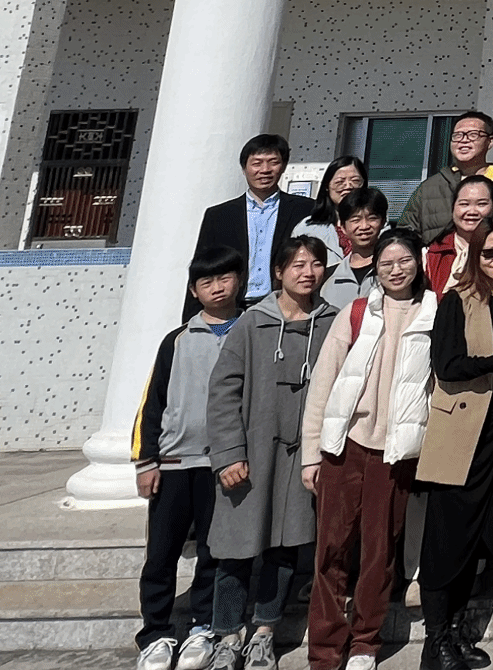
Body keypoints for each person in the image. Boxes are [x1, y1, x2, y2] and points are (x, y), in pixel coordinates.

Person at [301, 228, 438, 670]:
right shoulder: (357, 312)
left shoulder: (435, 313)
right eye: (386, 264)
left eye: (404, 261)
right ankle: (325, 648)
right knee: (332, 550)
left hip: (396, 453)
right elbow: (323, 383)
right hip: (346, 446)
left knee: (379, 552)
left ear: (418, 263)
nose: (396, 270)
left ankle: (364, 642)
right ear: (375, 269)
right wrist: (311, 454)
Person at [205, 236, 337, 670]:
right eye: (297, 264)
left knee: (284, 548)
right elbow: (224, 390)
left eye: (315, 264)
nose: (307, 272)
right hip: (251, 453)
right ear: (278, 272)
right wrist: (228, 453)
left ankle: (264, 632)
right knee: (236, 550)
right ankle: (227, 635)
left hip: (302, 457)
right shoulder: (252, 323)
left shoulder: (332, 323)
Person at [418, 216, 493, 670]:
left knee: (474, 542)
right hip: (460, 434)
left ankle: (455, 632)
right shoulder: (457, 300)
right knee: (445, 541)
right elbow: (447, 364)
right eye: (489, 252)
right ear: (475, 255)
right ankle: (434, 641)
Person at [134, 246, 243, 670]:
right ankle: (155, 634)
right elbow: (152, 403)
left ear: (239, 280)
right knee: (161, 553)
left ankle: (202, 627)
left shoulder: (250, 332)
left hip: (224, 465)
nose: (217, 288)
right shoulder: (176, 340)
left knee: (214, 553)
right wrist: (147, 461)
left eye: (224, 278)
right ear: (194, 291)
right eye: (206, 282)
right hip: (176, 463)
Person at [191, 135, 304, 310]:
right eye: (257, 163)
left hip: (285, 307)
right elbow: (202, 267)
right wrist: (192, 317)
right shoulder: (219, 215)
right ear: (244, 168)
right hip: (230, 307)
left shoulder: (304, 210)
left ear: (283, 166)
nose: (265, 170)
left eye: (273, 162)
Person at [400, 112, 493, 244]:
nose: (464, 140)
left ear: (490, 141)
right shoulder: (429, 188)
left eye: (473, 134)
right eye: (458, 135)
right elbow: (406, 234)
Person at [424, 174, 493, 298]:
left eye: (481, 204)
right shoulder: (432, 254)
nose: (472, 211)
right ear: (453, 207)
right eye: (464, 204)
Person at [291, 156, 369, 269]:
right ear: (327, 186)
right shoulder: (307, 228)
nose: (348, 186)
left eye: (355, 181)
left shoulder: (377, 224)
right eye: (340, 182)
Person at [321, 188, 389, 310]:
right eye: (355, 220)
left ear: (383, 222)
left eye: (372, 218)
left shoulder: (393, 271)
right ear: (343, 227)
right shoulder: (328, 277)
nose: (364, 226)